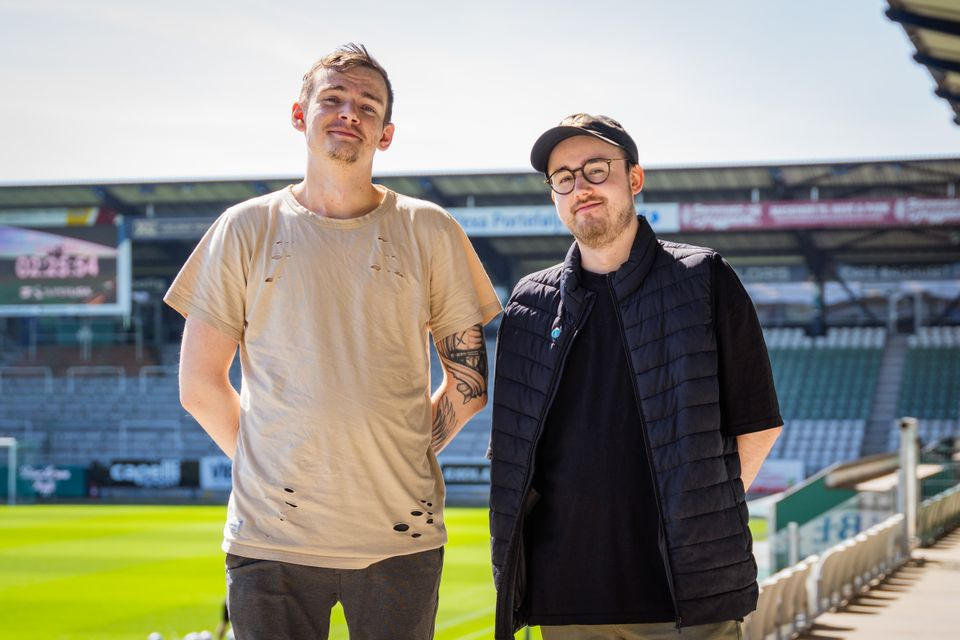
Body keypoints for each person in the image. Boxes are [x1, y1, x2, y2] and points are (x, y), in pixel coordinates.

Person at [165, 43, 501, 639]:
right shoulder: (245, 227)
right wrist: (272, 462)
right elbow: (199, 384)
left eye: (368, 106)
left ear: (386, 134)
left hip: (401, 536)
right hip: (270, 540)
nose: (350, 112)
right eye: (334, 98)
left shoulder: (431, 228)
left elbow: (469, 383)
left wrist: (399, 452)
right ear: (300, 115)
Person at [488, 114, 783, 639]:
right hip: (564, 599)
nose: (580, 187)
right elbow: (513, 450)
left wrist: (698, 516)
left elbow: (758, 424)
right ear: (554, 196)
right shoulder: (528, 305)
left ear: (635, 178)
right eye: (563, 178)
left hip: (682, 602)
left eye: (596, 169)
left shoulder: (703, 278)